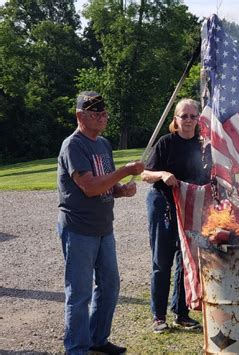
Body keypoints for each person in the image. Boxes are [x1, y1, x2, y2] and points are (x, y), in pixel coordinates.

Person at [57, 91, 144, 354]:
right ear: (80, 116)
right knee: (80, 293)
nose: (103, 118)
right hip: (78, 228)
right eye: (96, 114)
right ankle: (76, 348)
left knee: (109, 286)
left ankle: (97, 339)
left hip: (104, 228)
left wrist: (120, 189)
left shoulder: (103, 144)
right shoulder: (73, 145)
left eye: (105, 114)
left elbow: (105, 181)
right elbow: (90, 187)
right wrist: (125, 171)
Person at [141, 98, 210, 333]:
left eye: (192, 116)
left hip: (190, 206)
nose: (188, 120)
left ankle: (181, 312)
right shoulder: (165, 143)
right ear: (176, 119)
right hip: (164, 204)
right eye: (184, 116)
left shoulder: (203, 146)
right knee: (162, 261)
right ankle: (158, 316)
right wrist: (162, 174)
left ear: (198, 119)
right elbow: (145, 174)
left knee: (187, 259)